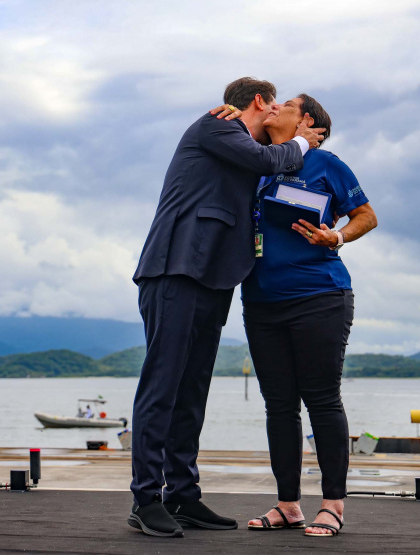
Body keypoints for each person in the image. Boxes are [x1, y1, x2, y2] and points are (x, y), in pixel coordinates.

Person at [128, 77, 324, 538]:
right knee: (162, 386)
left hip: (215, 280)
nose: (278, 108)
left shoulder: (241, 141)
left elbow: (269, 172)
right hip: (175, 270)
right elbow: (266, 158)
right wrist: (299, 139)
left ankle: (183, 496)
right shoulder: (218, 127)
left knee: (192, 392)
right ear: (259, 101)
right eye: (274, 101)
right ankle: (144, 500)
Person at [236, 95, 377, 537]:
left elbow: (366, 216)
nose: (275, 106)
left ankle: (333, 504)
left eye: (289, 103)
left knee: (321, 398)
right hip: (260, 301)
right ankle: (288, 505)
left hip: (319, 295)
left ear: (307, 119)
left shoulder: (326, 164)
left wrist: (335, 235)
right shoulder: (257, 163)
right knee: (278, 406)